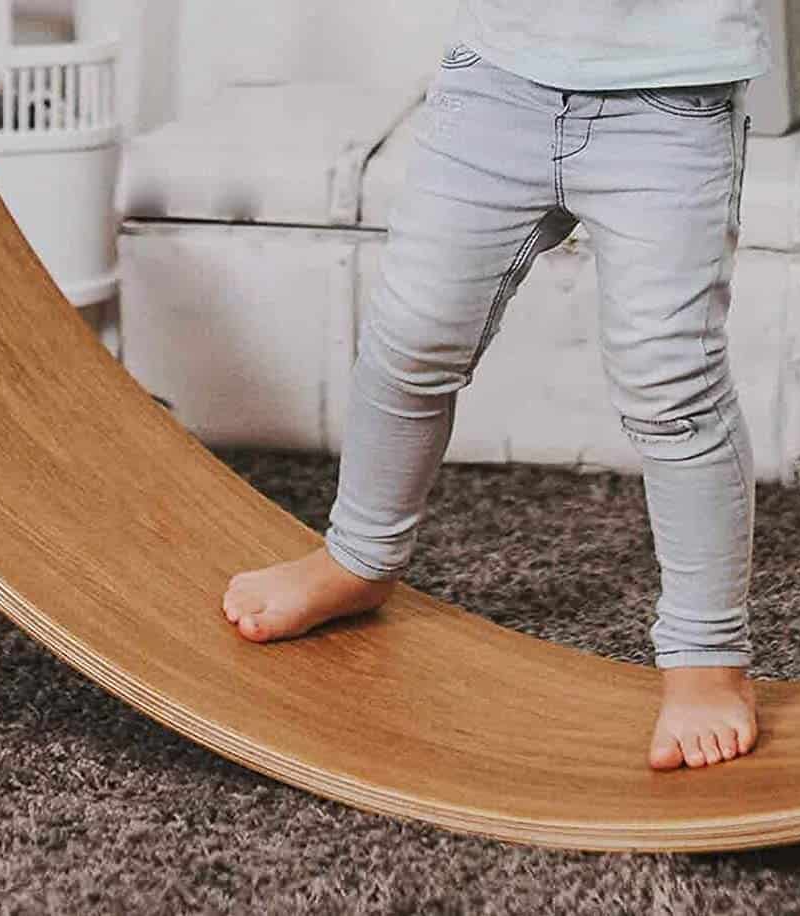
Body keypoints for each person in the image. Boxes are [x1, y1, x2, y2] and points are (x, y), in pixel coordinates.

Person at [221, 0, 770, 771]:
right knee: (412, 336)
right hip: (499, 83)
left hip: (672, 98)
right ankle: (359, 559)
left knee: (672, 384)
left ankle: (709, 659)